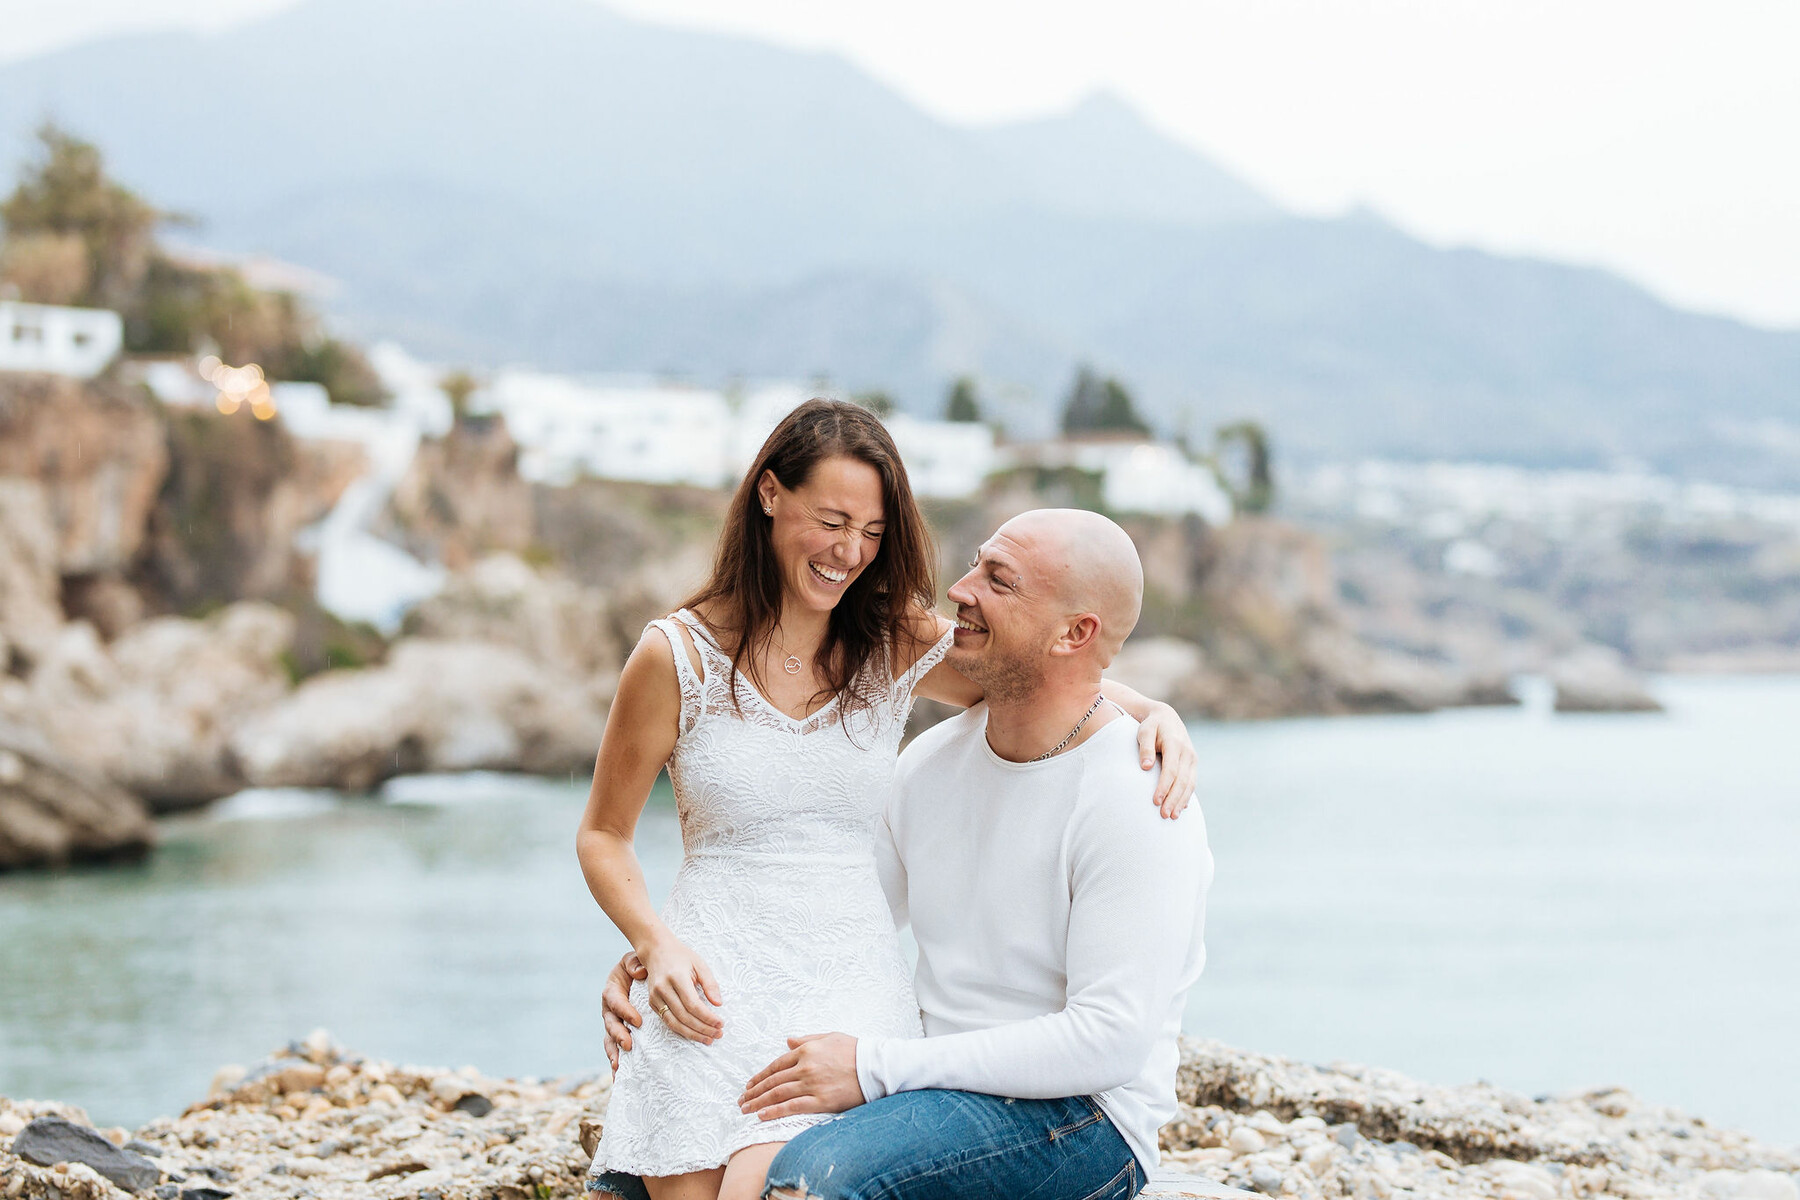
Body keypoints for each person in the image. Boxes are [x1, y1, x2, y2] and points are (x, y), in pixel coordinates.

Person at [577, 402, 1199, 1200]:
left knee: (767, 1188)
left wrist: (1153, 713)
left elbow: (1044, 670)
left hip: (845, 980)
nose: (849, 553)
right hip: (713, 969)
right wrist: (651, 942)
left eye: (871, 533)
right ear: (769, 493)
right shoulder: (674, 655)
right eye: (832, 521)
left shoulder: (890, 641)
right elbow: (603, 833)